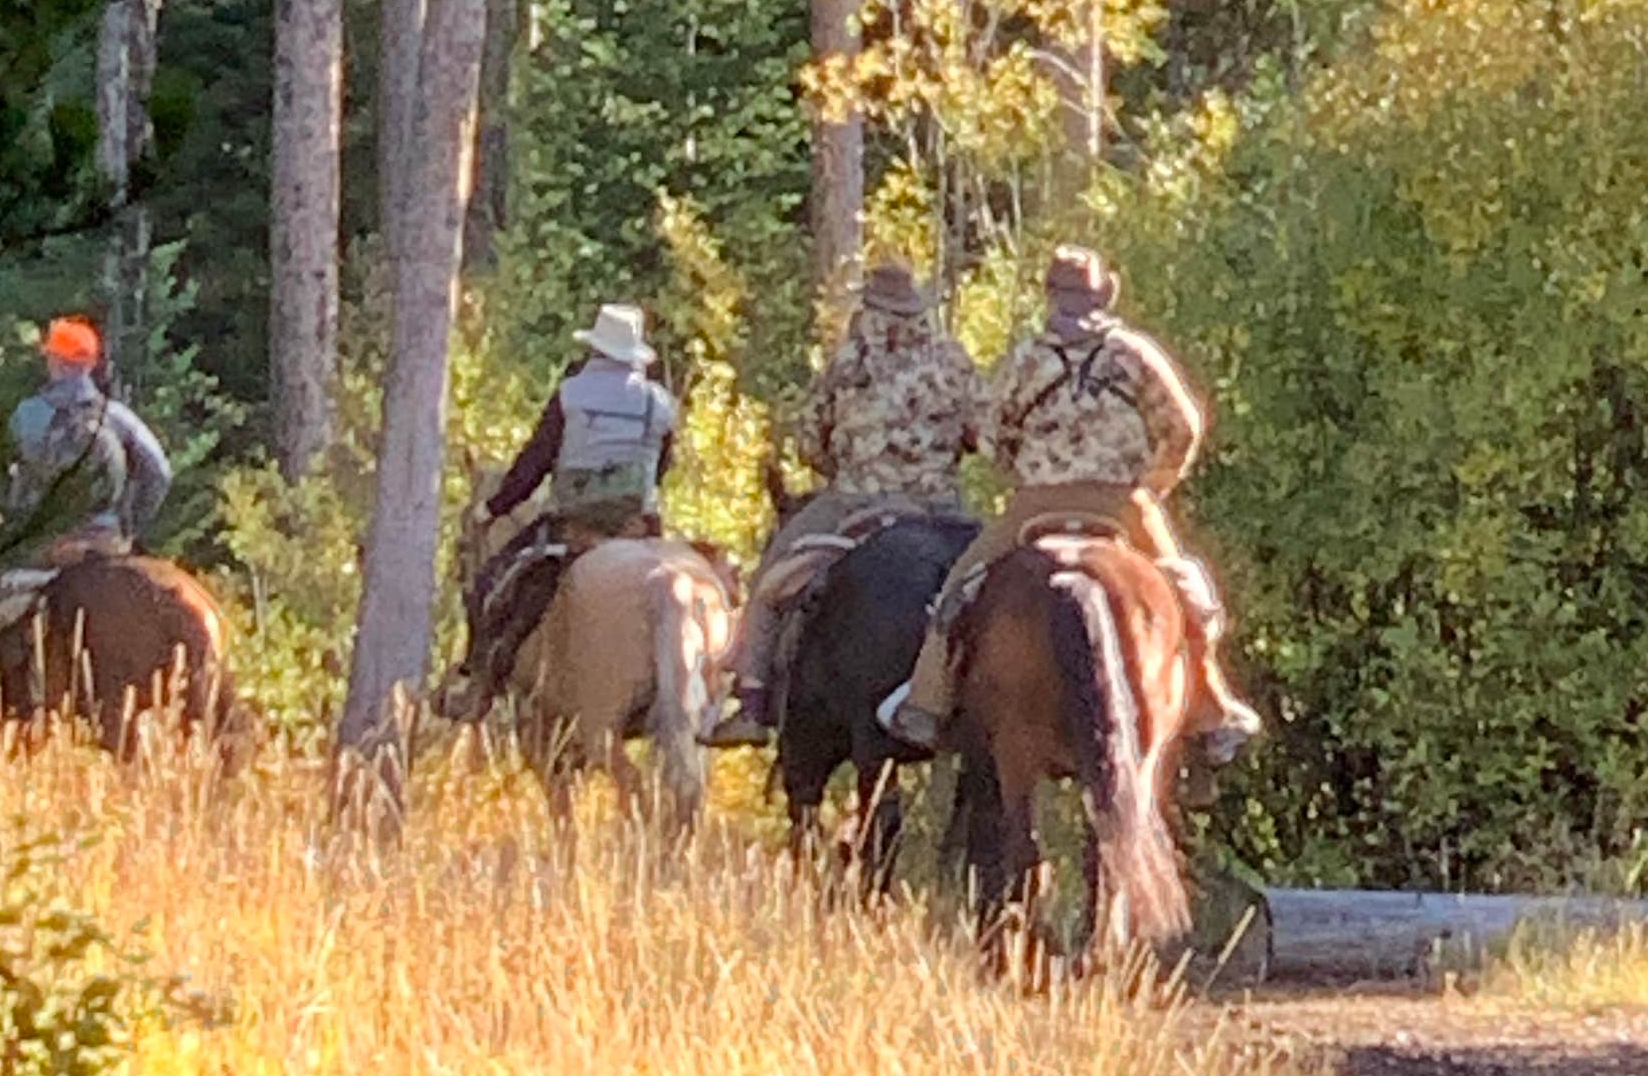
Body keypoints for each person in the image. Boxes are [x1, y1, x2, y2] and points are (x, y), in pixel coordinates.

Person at [877, 247, 1261, 763]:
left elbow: (990, 434)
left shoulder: (1025, 357)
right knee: (1189, 594)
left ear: (1050, 296)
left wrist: (1023, 475)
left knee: (956, 594)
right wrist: (1153, 484)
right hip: (1123, 503)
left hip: (1036, 505)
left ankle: (926, 703)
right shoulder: (1133, 353)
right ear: (1103, 294)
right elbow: (1183, 426)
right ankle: (1213, 711)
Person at [705, 262, 981, 743]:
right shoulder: (953, 360)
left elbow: (811, 443)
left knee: (772, 580)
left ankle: (751, 700)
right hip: (943, 509)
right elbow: (982, 432)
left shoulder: (849, 362)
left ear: (870, 308)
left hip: (857, 500)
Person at [468, 303, 678, 687]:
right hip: (637, 523)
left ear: (597, 349)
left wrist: (495, 507)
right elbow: (663, 466)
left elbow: (536, 461)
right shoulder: (660, 403)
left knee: (492, 583)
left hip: (574, 520)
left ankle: (481, 678)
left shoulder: (571, 394)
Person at [2, 316, 172, 556]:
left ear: (56, 361)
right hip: (105, 538)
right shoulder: (117, 417)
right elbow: (160, 472)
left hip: (47, 543)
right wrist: (130, 527)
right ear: (90, 364)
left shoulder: (26, 414)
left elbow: (11, 484)